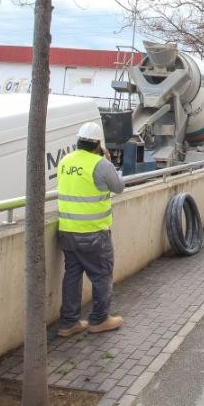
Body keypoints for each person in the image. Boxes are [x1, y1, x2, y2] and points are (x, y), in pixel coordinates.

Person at [56, 122, 126, 338]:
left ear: (78, 141)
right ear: (98, 144)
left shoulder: (65, 161)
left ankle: (69, 323)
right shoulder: (100, 164)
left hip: (67, 230)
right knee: (101, 275)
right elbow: (119, 187)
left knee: (72, 275)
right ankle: (100, 319)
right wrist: (107, 160)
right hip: (93, 233)